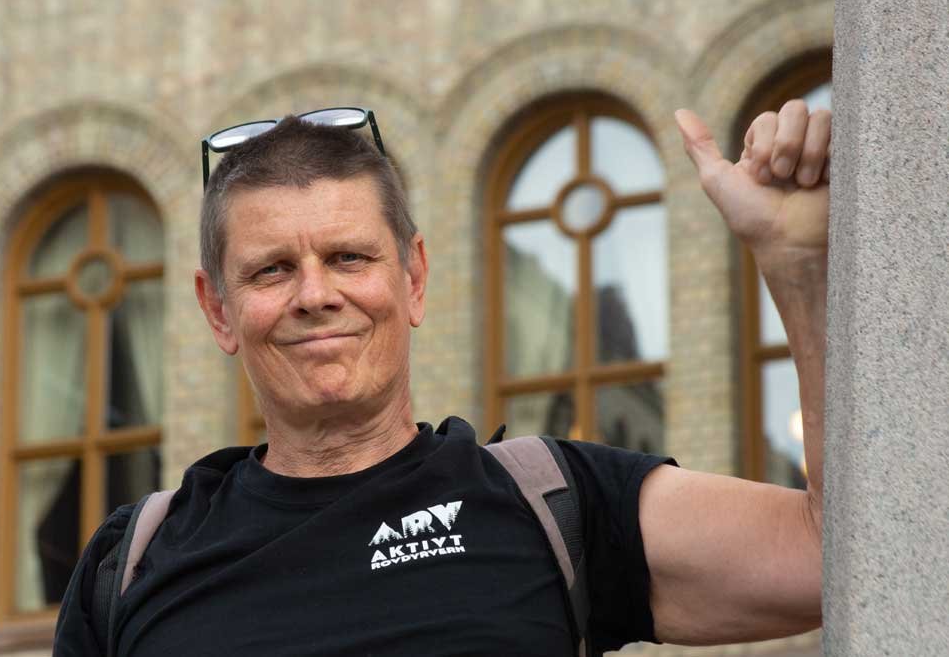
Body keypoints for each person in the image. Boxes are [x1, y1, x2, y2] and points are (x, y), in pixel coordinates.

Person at [53, 101, 830, 655]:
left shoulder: (553, 502)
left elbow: (829, 553)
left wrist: (796, 266)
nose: (315, 294)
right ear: (217, 309)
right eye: (272, 270)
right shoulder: (132, 563)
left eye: (349, 257)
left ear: (415, 277)